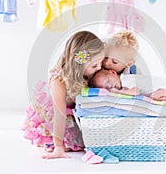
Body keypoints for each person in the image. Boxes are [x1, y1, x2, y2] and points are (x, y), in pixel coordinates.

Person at [22, 31, 105, 159]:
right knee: (72, 144)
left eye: (100, 63)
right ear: (79, 63)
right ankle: (54, 144)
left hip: (71, 114)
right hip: (55, 117)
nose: (99, 67)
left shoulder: (87, 73)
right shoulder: (59, 80)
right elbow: (59, 115)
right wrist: (58, 147)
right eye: (95, 65)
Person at [90, 69, 166, 102]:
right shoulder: (123, 81)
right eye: (106, 87)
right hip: (162, 87)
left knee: (154, 98)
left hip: (163, 86)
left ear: (113, 72)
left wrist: (119, 92)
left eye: (109, 80)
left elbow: (135, 92)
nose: (110, 85)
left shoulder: (126, 80)